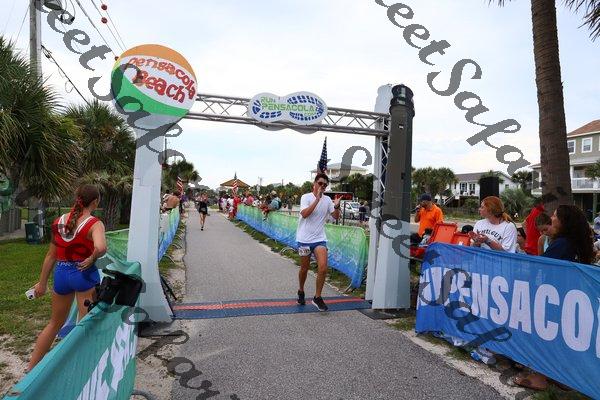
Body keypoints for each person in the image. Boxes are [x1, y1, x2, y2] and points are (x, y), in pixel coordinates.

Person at [28, 184, 107, 370]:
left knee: (54, 324)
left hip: (61, 274)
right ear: (95, 202)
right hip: (84, 274)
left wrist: (42, 283)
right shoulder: (94, 223)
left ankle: (31, 370)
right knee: (86, 326)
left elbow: (51, 255)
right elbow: (101, 247)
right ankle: (84, 370)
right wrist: (91, 258)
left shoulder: (59, 222)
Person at [296, 173, 341, 311]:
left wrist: (336, 206)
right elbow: (304, 214)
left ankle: (317, 297)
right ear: (314, 184)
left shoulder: (327, 200)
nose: (322, 186)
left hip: (319, 239)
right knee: (304, 268)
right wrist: (317, 199)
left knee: (323, 267)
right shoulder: (306, 197)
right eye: (320, 183)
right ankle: (301, 290)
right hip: (303, 240)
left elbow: (335, 217)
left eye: (325, 185)